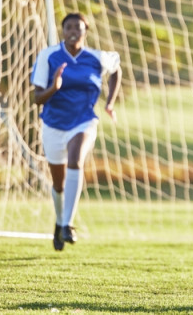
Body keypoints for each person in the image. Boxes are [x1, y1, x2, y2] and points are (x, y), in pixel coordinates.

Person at [31, 13, 121, 252]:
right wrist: (54, 87)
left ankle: (68, 225)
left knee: (76, 160)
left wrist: (109, 102)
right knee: (58, 184)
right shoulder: (48, 56)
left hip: (84, 121)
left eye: (78, 27)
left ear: (85, 31)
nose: (73, 31)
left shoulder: (95, 57)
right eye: (68, 27)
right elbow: (37, 97)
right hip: (53, 125)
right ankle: (59, 223)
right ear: (62, 30)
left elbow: (116, 69)